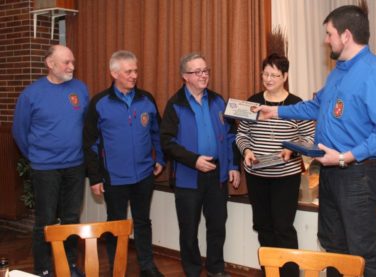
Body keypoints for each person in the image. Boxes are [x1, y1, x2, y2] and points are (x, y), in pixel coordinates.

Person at [255, 5, 376, 277]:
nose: (326, 40)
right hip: (331, 171)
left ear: (345, 36)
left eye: (329, 33)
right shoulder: (338, 72)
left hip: (359, 173)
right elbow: (316, 106)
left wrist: (347, 156)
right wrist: (275, 111)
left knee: (362, 250)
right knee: (333, 245)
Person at [83, 50, 165, 277]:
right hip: (114, 177)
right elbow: (90, 143)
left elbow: (157, 132)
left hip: (144, 176)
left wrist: (159, 157)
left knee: (142, 222)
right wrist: (95, 177)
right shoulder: (99, 103)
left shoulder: (146, 99)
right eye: (129, 71)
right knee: (115, 225)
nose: (134, 75)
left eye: (136, 70)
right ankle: (115, 268)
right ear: (114, 73)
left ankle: (147, 266)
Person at [160, 52, 241, 277]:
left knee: (217, 227)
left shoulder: (218, 101)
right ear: (185, 76)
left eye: (206, 70)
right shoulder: (175, 104)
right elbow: (166, 142)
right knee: (189, 231)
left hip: (217, 174)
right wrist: (193, 160)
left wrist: (233, 166)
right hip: (188, 176)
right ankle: (192, 271)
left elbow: (232, 135)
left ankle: (216, 269)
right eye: (198, 72)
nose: (204, 75)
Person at [12, 45, 89, 277]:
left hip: (75, 166)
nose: (72, 67)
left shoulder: (80, 88)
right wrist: (37, 157)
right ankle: (42, 269)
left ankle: (70, 266)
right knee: (45, 221)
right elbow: (19, 132)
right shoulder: (31, 94)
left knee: (71, 219)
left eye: (73, 61)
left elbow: (88, 125)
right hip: (45, 169)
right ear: (50, 63)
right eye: (66, 62)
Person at [236, 53, 315, 277]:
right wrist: (247, 151)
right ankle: (269, 271)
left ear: (285, 76)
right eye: (265, 74)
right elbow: (241, 135)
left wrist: (292, 148)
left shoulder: (296, 105)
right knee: (263, 226)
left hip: (285, 177)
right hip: (256, 175)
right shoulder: (252, 102)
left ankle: (289, 273)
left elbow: (309, 137)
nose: (268, 79)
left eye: (274, 75)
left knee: (283, 228)